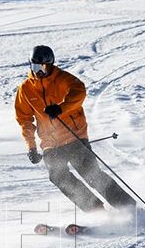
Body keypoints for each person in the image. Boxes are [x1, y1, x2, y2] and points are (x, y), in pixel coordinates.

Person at [15, 45, 135, 212]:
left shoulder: (63, 79)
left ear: (50, 65)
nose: (40, 72)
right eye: (35, 67)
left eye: (43, 67)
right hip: (50, 143)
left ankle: (127, 206)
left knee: (91, 175)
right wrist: (31, 147)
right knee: (58, 176)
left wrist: (61, 108)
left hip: (74, 136)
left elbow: (79, 92)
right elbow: (24, 120)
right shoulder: (25, 89)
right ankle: (95, 210)